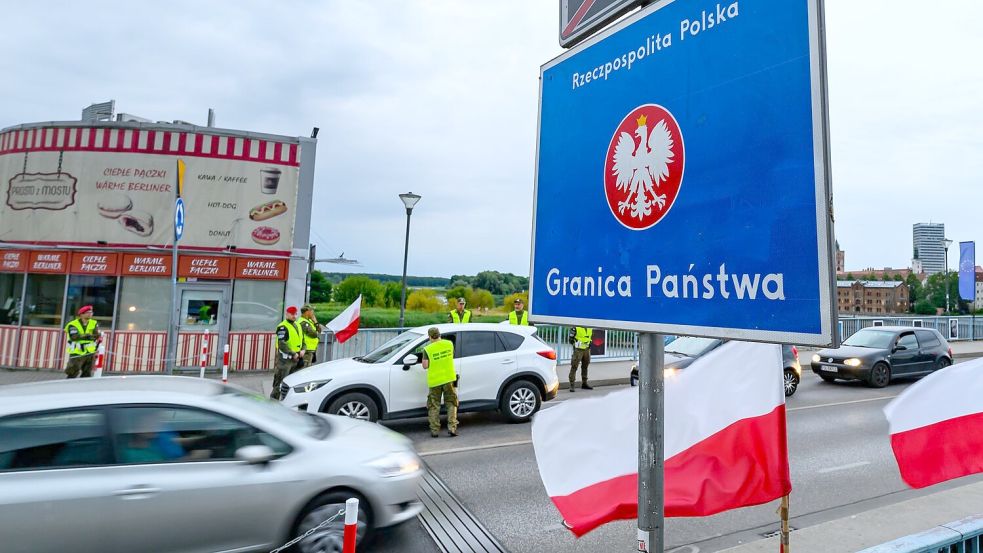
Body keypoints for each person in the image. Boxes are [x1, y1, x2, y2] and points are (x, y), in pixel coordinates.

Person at [422, 327, 458, 438]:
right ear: (439, 334)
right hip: (449, 379)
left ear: (429, 337)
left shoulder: (427, 349)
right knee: (451, 404)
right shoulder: (449, 344)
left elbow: (425, 366)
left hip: (435, 381)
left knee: (434, 406)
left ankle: (435, 431)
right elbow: (451, 356)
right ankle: (452, 428)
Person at [271, 306, 304, 400]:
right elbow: (282, 344)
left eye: (295, 313)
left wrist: (303, 350)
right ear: (287, 314)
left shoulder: (297, 325)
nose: (294, 316)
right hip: (285, 361)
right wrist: (293, 353)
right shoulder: (282, 326)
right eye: (292, 314)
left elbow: (303, 340)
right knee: (280, 383)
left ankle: (286, 402)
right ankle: (272, 403)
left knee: (292, 384)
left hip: (297, 359)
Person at [64, 305, 100, 378]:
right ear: (81, 314)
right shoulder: (73, 324)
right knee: (72, 372)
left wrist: (84, 336)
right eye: (88, 312)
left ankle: (84, 388)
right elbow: (74, 337)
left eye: (91, 312)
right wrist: (88, 336)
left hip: (90, 352)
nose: (90, 314)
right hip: (77, 352)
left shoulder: (93, 323)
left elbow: (96, 335)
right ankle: (68, 387)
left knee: (87, 374)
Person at [568, 326, 594, 391]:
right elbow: (570, 339)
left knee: (585, 367)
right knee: (574, 367)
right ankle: (572, 385)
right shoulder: (575, 327)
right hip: (578, 350)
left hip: (587, 350)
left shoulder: (590, 326)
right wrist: (575, 345)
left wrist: (590, 343)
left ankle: (584, 383)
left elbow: (590, 337)